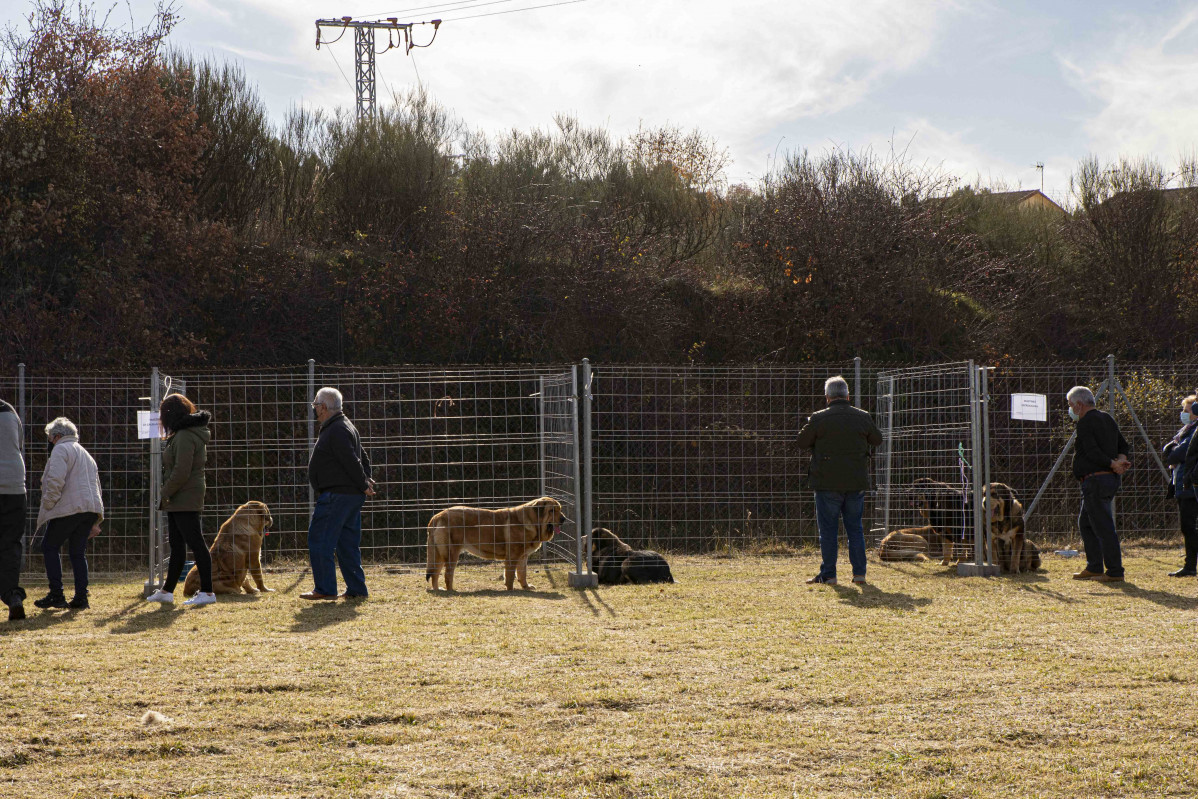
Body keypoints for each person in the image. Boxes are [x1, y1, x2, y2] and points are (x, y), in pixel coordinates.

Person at [797, 376, 883, 586]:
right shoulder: (862, 417)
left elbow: (801, 442)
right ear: (847, 396)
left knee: (828, 530)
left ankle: (829, 574)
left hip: (826, 483)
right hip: (856, 482)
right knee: (855, 528)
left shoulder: (818, 418)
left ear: (827, 397)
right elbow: (877, 439)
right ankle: (859, 573)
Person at [303, 387, 375, 600]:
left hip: (337, 496)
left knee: (320, 540)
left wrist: (364, 483)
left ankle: (325, 589)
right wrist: (366, 479)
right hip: (349, 496)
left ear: (323, 407)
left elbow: (351, 459)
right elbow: (363, 456)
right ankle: (356, 589)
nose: (315, 409)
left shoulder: (335, 429)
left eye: (315, 405)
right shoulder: (345, 425)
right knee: (346, 544)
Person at [144, 394, 216, 607]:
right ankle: (167, 591)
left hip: (185, 495)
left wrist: (164, 492)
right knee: (177, 545)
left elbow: (181, 471)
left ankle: (208, 592)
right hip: (180, 495)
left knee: (196, 543)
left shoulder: (185, 436)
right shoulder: (184, 433)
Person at [32, 418, 104, 610]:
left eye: (50, 438)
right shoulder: (85, 453)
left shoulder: (60, 449)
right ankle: (81, 597)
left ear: (57, 436)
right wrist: (97, 517)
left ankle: (56, 594)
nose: (49, 442)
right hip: (88, 509)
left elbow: (55, 480)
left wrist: (48, 504)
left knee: (49, 546)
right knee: (77, 553)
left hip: (70, 508)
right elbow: (97, 486)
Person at [1068, 385, 1130, 582]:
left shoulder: (1085, 422)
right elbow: (1123, 445)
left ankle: (1114, 571)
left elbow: (1092, 451)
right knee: (1086, 523)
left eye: (1070, 405)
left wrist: (1113, 463)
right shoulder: (1107, 418)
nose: (1070, 409)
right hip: (1109, 479)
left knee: (1103, 526)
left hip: (1095, 480)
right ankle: (1094, 566)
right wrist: (1120, 462)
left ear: (1079, 405)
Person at [1, 398, 27, 622]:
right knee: (10, 543)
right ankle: (12, 596)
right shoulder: (9, 410)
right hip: (15, 486)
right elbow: (19, 443)